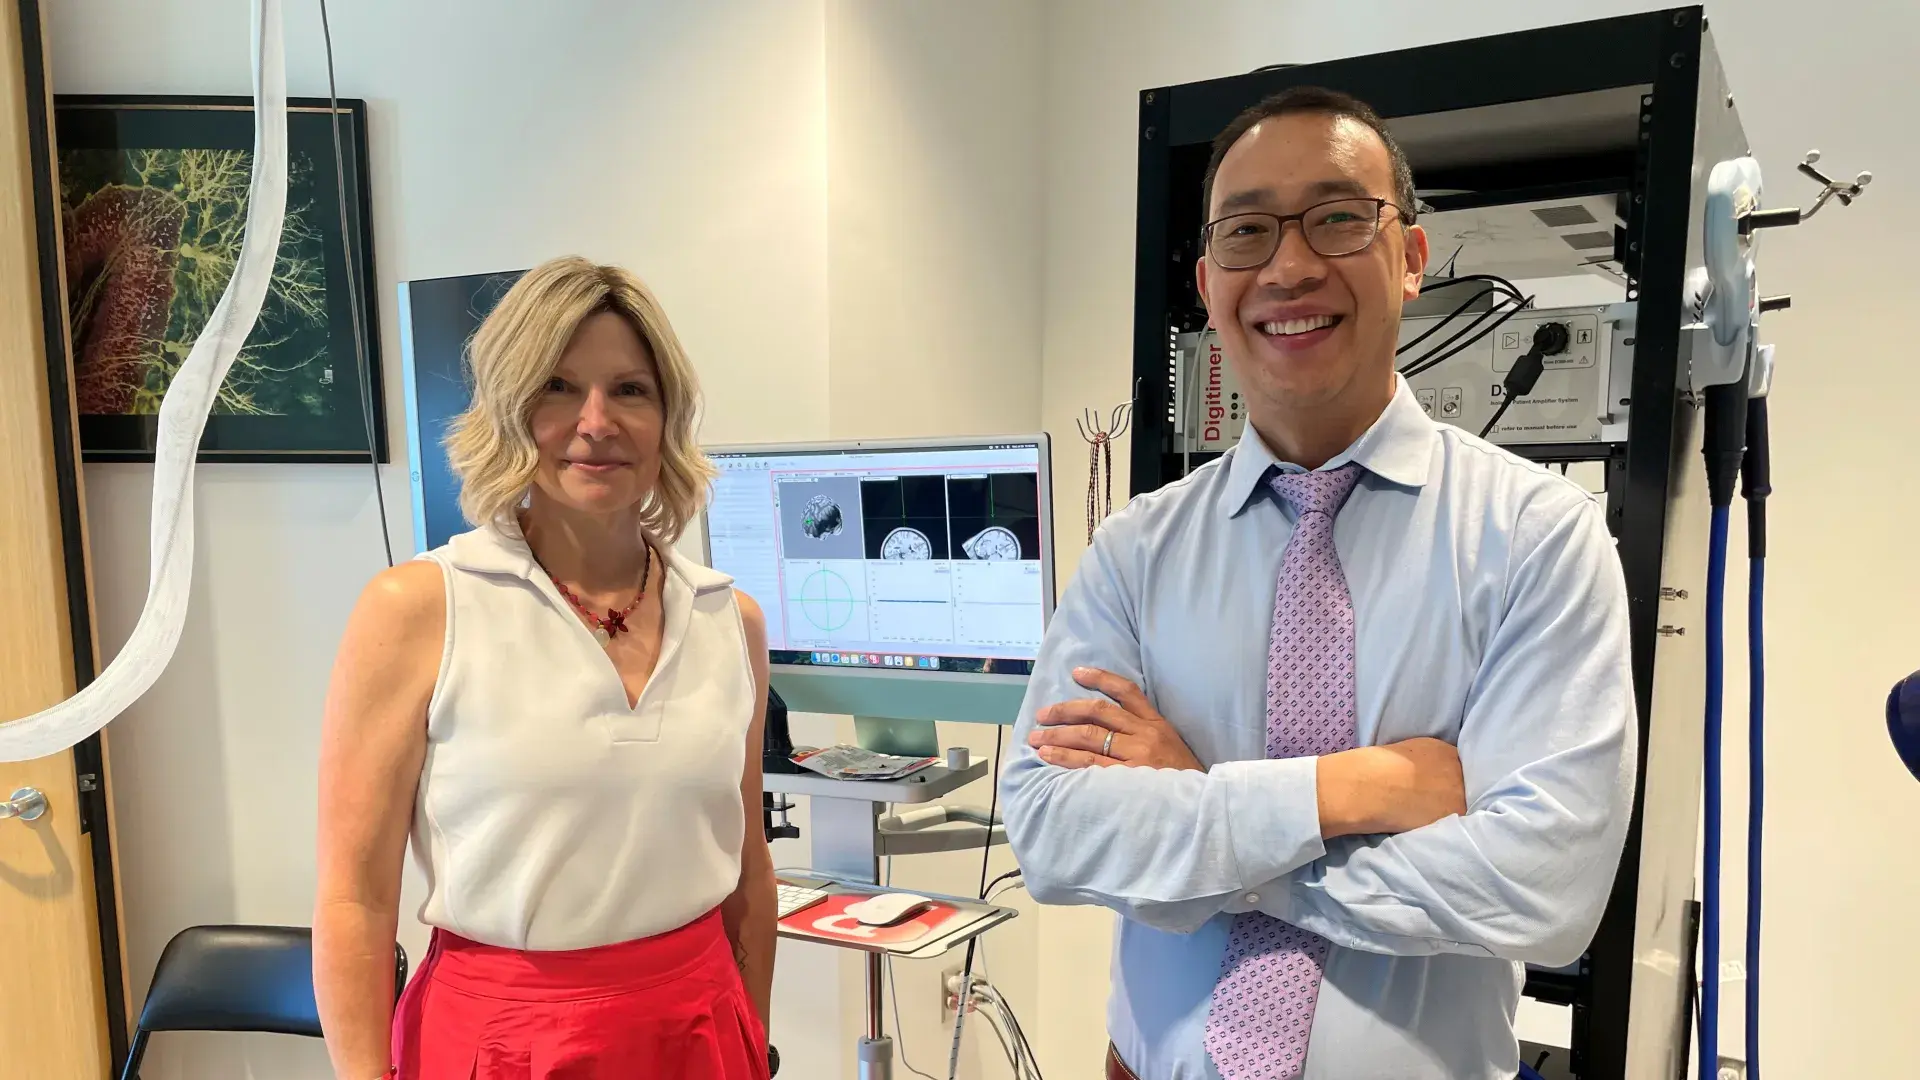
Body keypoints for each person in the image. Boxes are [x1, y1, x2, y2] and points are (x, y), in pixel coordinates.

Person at [1000, 87, 1635, 1080]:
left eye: (1339, 217)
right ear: (1210, 285)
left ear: (1413, 258)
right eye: (1249, 231)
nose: (1290, 266)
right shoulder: (1138, 550)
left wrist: (1204, 818)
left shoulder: (1535, 541)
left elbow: (1542, 891)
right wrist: (1351, 792)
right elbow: (1050, 832)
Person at [313, 256, 776, 1080]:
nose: (596, 422)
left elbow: (747, 872)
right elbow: (355, 899)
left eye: (630, 390)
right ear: (508, 411)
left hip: (699, 1029)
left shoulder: (727, 622)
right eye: (558, 388)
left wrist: (749, 1036)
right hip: (503, 1040)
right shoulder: (417, 611)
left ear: (668, 416)